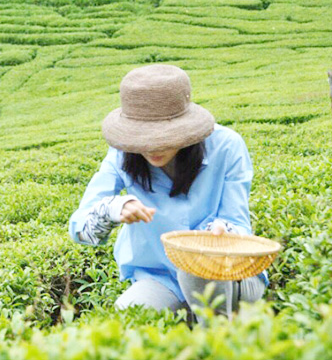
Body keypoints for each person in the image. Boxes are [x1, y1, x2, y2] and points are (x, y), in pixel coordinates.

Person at [68, 64, 268, 324]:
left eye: (162, 136)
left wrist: (220, 234)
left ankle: (216, 342)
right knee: (125, 320)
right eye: (143, 137)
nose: (152, 147)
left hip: (229, 275)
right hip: (160, 279)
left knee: (195, 268)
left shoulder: (226, 147)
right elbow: (80, 228)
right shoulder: (120, 155)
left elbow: (240, 225)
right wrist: (113, 208)